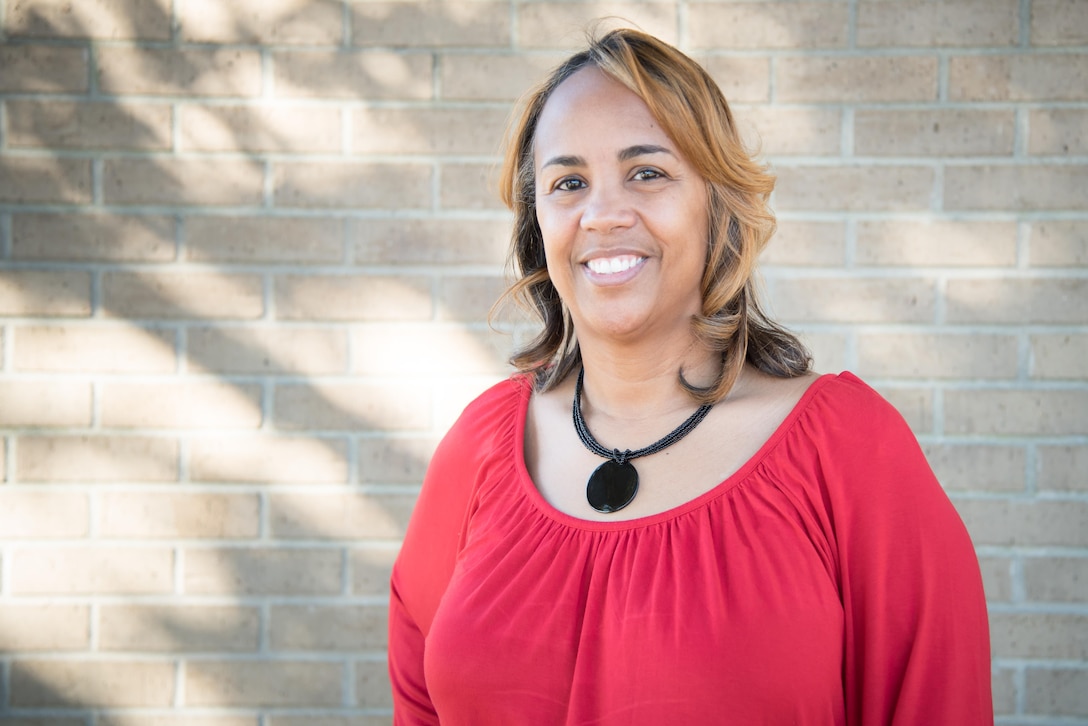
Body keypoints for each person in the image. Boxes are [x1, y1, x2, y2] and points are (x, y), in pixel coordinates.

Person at [388, 28, 993, 725]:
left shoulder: (850, 450)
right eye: (569, 182)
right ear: (538, 224)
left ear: (717, 203)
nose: (604, 214)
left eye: (647, 172)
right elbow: (419, 702)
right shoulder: (482, 447)